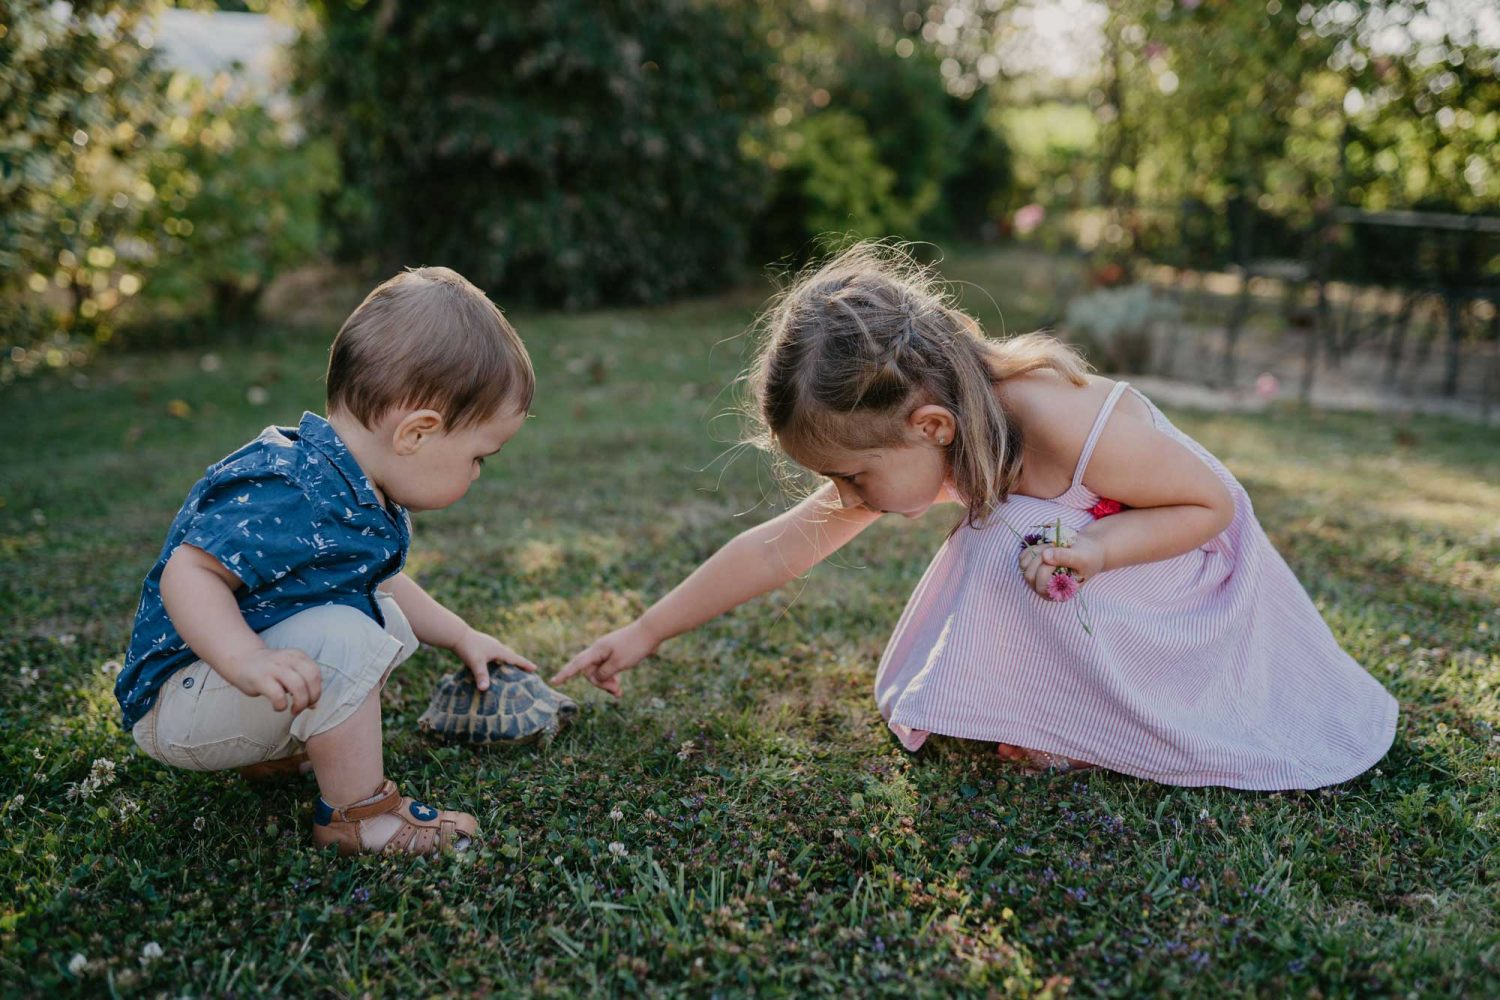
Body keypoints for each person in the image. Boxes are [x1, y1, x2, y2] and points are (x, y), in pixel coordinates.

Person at [553, 243, 1396, 789]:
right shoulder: (946, 434)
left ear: (930, 427)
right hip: (1099, 569)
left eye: (852, 477)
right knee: (1009, 546)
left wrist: (1096, 546)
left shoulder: (1057, 415)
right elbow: (781, 548)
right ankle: (1060, 705)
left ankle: (1092, 722)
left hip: (1192, 587)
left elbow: (1212, 505)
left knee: (1006, 547)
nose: (845, 500)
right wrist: (646, 631)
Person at [117, 266, 536, 852]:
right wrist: (246, 661)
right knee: (348, 636)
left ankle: (275, 755)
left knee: (377, 619)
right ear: (416, 433)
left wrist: (463, 635)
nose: (477, 473)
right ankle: (357, 817)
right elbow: (190, 573)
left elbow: (384, 585)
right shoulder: (294, 489)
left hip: (219, 691)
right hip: (177, 703)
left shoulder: (351, 486)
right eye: (479, 456)